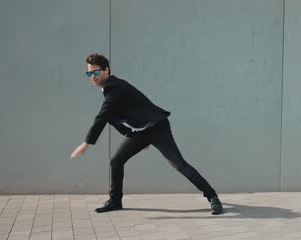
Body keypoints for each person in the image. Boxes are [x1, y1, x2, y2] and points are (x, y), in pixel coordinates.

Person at [70, 53, 223, 214]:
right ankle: (115, 201)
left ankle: (212, 197)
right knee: (116, 161)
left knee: (179, 165)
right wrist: (132, 135)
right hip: (141, 132)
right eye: (89, 73)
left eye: (96, 72)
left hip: (157, 128)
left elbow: (103, 115)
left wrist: (87, 142)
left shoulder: (114, 87)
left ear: (106, 70)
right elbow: (111, 117)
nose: (92, 77)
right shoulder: (108, 91)